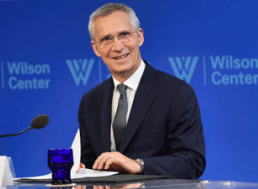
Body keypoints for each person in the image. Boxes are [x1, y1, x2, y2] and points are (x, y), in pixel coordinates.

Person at [78, 3, 206, 179]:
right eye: (106, 39)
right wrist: (79, 168)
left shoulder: (177, 92)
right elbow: (90, 162)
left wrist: (139, 165)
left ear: (139, 36)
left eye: (124, 35)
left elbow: (192, 161)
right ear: (96, 48)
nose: (117, 47)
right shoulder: (90, 101)